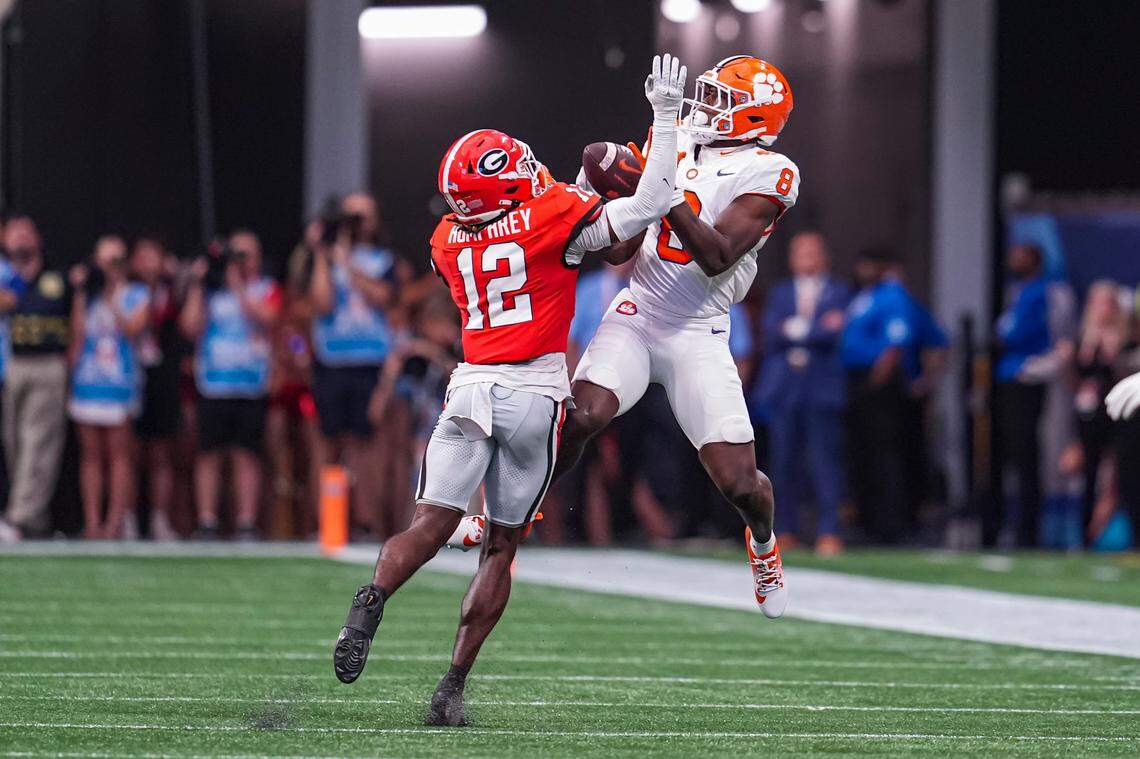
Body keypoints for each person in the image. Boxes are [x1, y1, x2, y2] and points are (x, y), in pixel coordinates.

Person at [333, 53, 688, 726]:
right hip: (534, 392)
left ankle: (374, 595)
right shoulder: (550, 212)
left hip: (469, 388)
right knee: (500, 546)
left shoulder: (444, 239)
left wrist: (579, 187)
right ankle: (452, 685)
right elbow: (646, 204)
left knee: (428, 525)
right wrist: (664, 117)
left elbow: (526, 231)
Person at [520, 54, 796, 616]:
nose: (706, 106)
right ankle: (519, 509)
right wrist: (598, 192)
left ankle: (764, 546)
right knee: (581, 415)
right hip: (639, 311)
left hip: (701, 330)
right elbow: (623, 248)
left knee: (741, 484)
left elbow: (717, 255)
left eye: (724, 100)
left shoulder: (772, 173)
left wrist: (663, 191)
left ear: (755, 118)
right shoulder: (675, 131)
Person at [180, 229, 280, 540]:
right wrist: (198, 282)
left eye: (246, 255)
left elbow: (269, 319)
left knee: (246, 454)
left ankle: (246, 521)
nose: (240, 261)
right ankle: (208, 520)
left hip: (251, 383)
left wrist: (239, 287)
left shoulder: (266, 288)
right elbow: (189, 327)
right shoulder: (210, 292)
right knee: (208, 454)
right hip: (213, 384)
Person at [756, 232, 850, 554]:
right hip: (786, 390)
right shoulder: (781, 292)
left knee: (825, 461)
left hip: (821, 388)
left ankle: (829, 530)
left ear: (824, 256)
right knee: (783, 462)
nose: (807, 258)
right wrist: (812, 329)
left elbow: (835, 331)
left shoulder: (839, 290)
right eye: (801, 252)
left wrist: (797, 330)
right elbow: (771, 330)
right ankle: (785, 529)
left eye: (812, 251)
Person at [308, 193, 397, 537]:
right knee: (327, 442)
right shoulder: (321, 260)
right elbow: (321, 304)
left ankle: (365, 520)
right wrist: (322, 255)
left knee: (367, 444)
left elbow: (384, 297)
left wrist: (346, 264)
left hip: (370, 362)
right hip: (331, 361)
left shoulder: (383, 260)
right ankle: (327, 523)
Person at [68, 235, 151, 539]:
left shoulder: (136, 294)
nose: (110, 268)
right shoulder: (87, 296)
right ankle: (92, 521)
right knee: (90, 455)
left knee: (119, 455)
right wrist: (82, 292)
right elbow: (77, 336)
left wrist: (111, 294)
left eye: (116, 261)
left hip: (120, 383)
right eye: (105, 262)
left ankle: (115, 521)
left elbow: (133, 328)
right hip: (88, 381)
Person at [0, 216, 71, 542]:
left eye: (27, 232)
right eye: (15, 233)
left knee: (36, 441)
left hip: (47, 363)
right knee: (15, 443)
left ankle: (18, 518)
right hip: (14, 364)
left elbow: (76, 315)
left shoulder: (58, 275)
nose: (21, 239)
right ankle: (35, 520)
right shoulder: (6, 275)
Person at [840, 248, 914, 544]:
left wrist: (879, 378)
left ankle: (889, 526)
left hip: (878, 381)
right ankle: (867, 521)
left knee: (883, 454)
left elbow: (895, 342)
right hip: (857, 380)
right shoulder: (863, 296)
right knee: (862, 454)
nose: (864, 269)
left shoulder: (891, 295)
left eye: (870, 264)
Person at [989, 243, 1051, 548]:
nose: (1013, 260)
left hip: (1026, 376)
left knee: (1026, 453)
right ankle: (1014, 525)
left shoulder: (1040, 292)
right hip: (1009, 376)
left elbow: (1010, 333)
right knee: (1011, 455)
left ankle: (1029, 530)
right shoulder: (1018, 292)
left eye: (1020, 255)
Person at [130, 237, 185, 539]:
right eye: (143, 257)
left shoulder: (173, 291)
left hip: (163, 374)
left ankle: (160, 518)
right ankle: (126, 516)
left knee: (162, 451)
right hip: (129, 373)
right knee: (131, 452)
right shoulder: (124, 291)